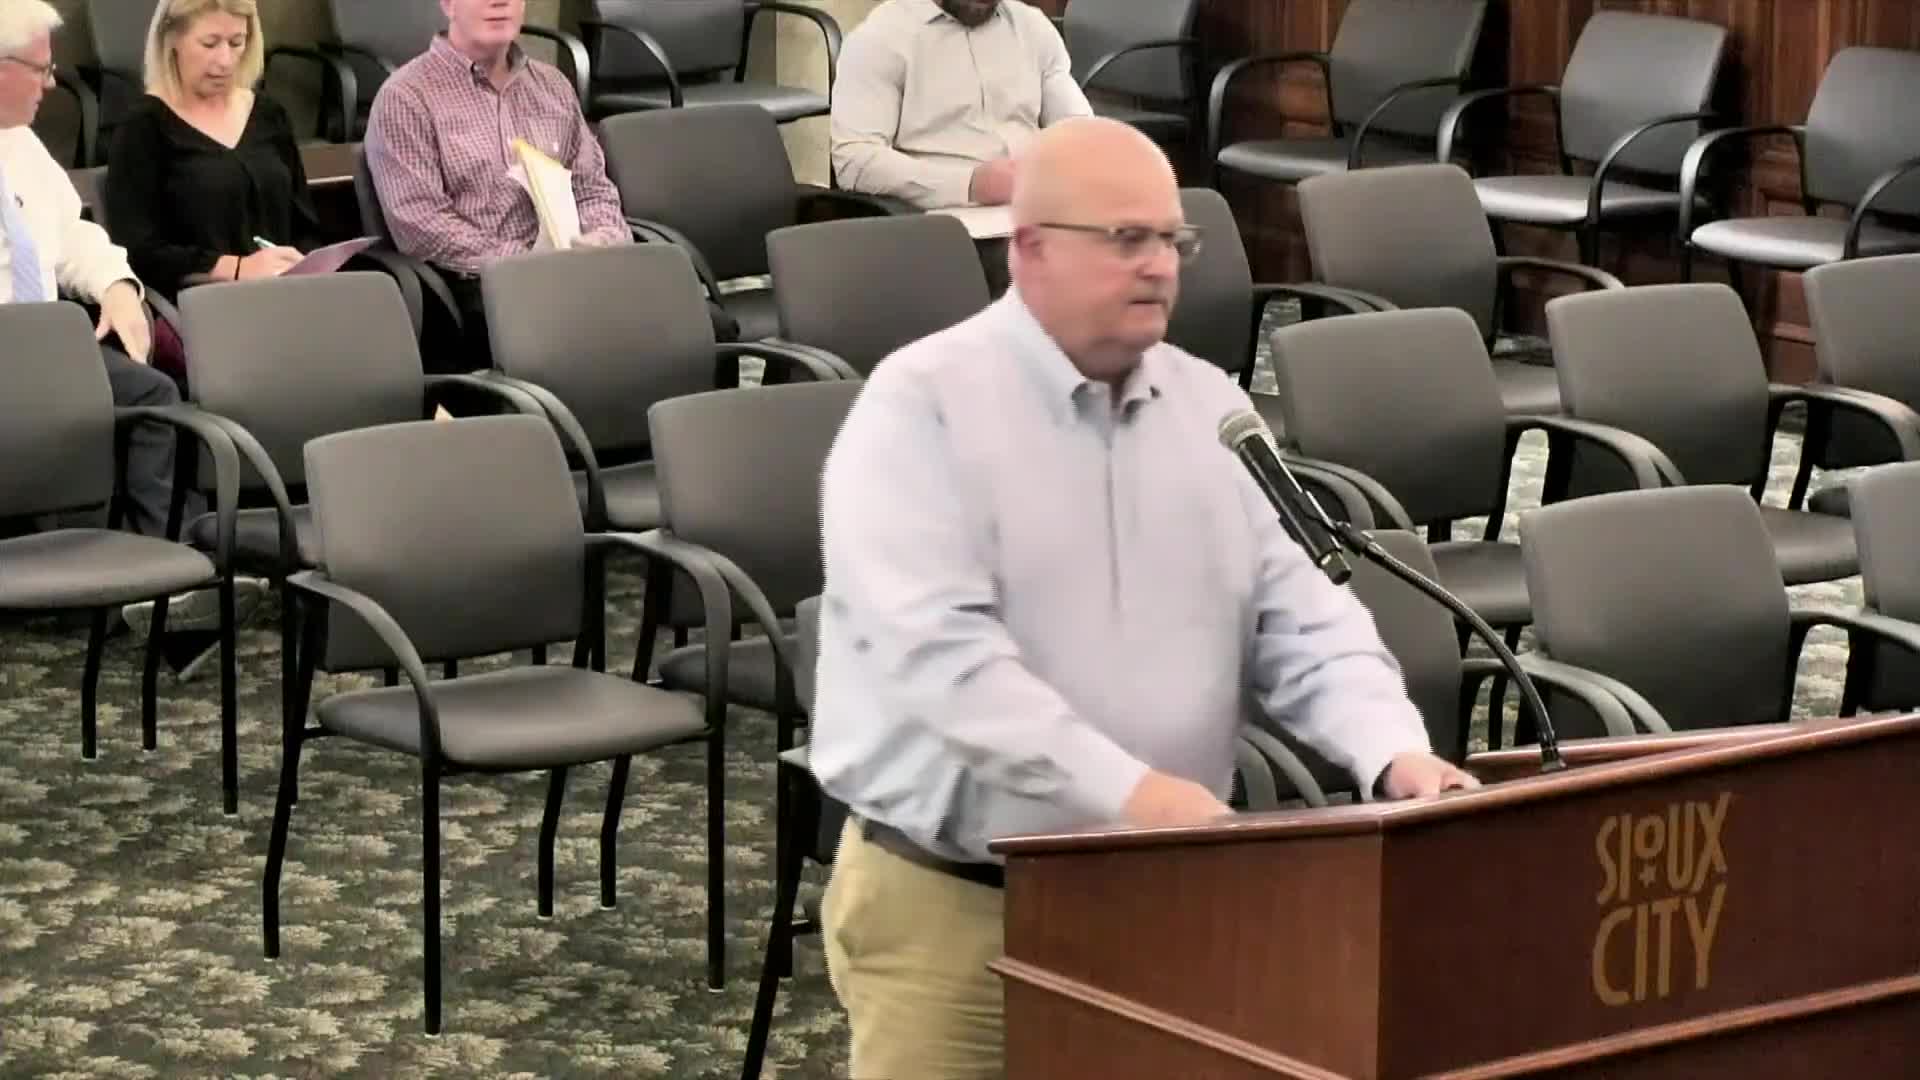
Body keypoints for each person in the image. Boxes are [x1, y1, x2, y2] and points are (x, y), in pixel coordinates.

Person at [809, 116, 1479, 1079]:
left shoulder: (1213, 412)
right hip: (963, 915)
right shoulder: (920, 408)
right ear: (1030, 247)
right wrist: (1131, 796)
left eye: (1172, 239)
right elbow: (943, 665)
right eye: (1126, 238)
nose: (1159, 266)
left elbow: (1304, 620)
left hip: (1167, 900)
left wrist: (1391, 751)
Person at [364, 0, 644, 376]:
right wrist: (524, 261)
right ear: (448, 4)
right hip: (481, 285)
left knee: (685, 322)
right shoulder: (406, 97)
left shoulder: (553, 86)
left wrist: (604, 238)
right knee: (598, 343)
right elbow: (422, 226)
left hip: (578, 270)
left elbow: (592, 188)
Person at [0, 2, 166, 534]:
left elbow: (71, 231)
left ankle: (156, 562)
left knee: (152, 395)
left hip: (46, 346)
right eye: (41, 68)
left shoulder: (19, 141)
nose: (51, 83)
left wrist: (114, 285)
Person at [103, 0, 317, 301]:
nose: (225, 60)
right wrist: (237, 268)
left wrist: (304, 263)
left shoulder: (270, 114)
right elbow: (139, 251)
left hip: (287, 293)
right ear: (172, 39)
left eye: (237, 43)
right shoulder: (142, 126)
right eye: (209, 44)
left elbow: (305, 224)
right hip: (202, 303)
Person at [830, 0, 1092, 211]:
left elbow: (1080, 129)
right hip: (943, 221)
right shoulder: (880, 37)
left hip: (1041, 209)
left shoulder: (1033, 28)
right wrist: (970, 185)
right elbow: (855, 159)